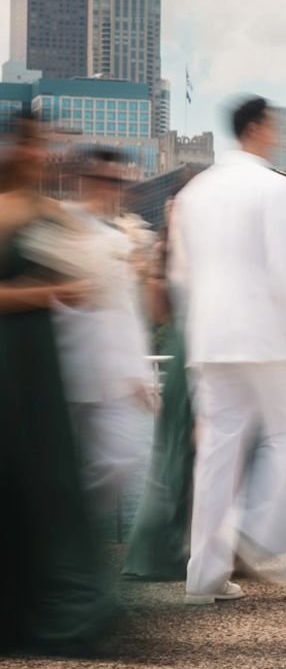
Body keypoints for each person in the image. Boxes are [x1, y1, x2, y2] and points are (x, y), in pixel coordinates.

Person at [169, 96, 286, 605]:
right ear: (256, 127)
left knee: (216, 454)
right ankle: (256, 527)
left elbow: (181, 273)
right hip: (265, 335)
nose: (278, 132)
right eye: (273, 124)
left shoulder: (195, 192)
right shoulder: (274, 188)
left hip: (210, 337)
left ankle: (204, 577)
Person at [0, 114, 117, 654]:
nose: (45, 153)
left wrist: (74, 284)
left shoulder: (44, 210)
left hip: (38, 359)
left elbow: (74, 286)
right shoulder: (8, 210)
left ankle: (52, 603)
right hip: (12, 357)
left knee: (47, 475)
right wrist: (55, 289)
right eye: (37, 144)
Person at [53, 148, 156, 517]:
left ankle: (66, 530)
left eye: (119, 182)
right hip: (62, 369)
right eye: (106, 180)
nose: (113, 188)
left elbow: (128, 311)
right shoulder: (59, 223)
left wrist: (140, 374)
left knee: (121, 461)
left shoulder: (120, 239)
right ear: (85, 180)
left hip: (112, 377)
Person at [125, 190, 203, 581]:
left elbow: (159, 314)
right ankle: (164, 551)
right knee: (181, 455)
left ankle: (183, 547)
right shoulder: (178, 256)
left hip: (186, 355)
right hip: (191, 356)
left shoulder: (170, 255)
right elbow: (158, 313)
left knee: (181, 455)